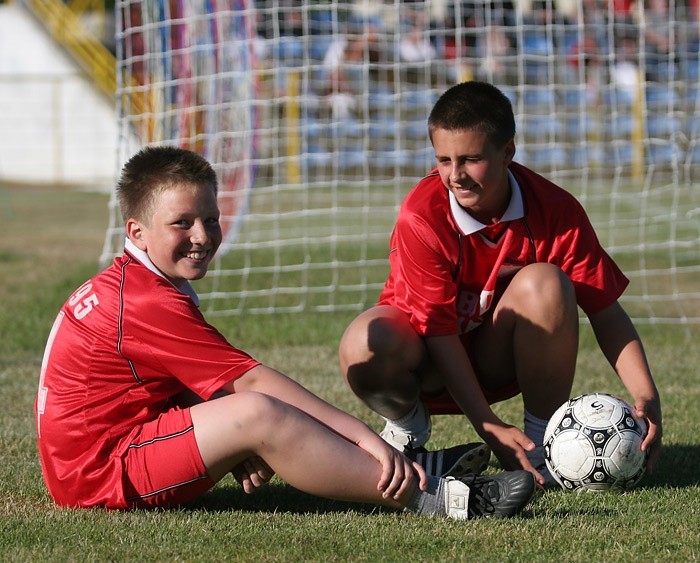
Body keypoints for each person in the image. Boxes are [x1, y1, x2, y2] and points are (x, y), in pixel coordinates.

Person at [34, 145, 535, 519]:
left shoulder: (133, 281)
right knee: (257, 411)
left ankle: (410, 465)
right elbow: (251, 385)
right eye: (181, 223)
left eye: (211, 218)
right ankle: (430, 497)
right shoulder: (142, 298)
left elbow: (159, 385)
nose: (203, 236)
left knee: (245, 417)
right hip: (98, 476)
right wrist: (363, 436)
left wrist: (225, 444)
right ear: (135, 231)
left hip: (108, 451)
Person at [338, 81, 663, 489]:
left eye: (471, 160)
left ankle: (540, 443)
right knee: (363, 342)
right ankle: (407, 432)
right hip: (426, 364)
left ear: (507, 152)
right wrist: (488, 425)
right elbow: (437, 332)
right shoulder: (421, 215)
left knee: (547, 283)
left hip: (497, 358)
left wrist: (648, 398)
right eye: (443, 160)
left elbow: (605, 310)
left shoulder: (555, 210)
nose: (455, 175)